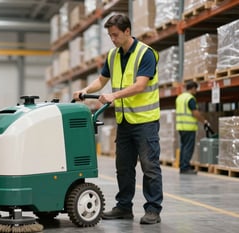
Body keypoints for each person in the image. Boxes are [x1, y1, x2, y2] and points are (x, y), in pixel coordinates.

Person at [73, 14, 162, 225]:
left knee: (149, 166)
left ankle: (153, 209)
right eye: (110, 35)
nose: (112, 39)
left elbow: (140, 85)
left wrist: (114, 95)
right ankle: (124, 207)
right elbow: (101, 80)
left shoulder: (145, 54)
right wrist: (85, 90)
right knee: (123, 167)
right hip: (125, 122)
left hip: (145, 121)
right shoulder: (113, 55)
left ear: (127, 32)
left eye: (115, 35)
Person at [176, 81, 209, 174]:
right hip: (189, 127)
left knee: (183, 147)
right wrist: (204, 121)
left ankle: (183, 166)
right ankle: (185, 168)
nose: (196, 91)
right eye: (196, 89)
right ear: (193, 88)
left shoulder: (180, 97)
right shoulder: (190, 98)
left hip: (180, 126)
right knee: (188, 148)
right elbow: (195, 113)